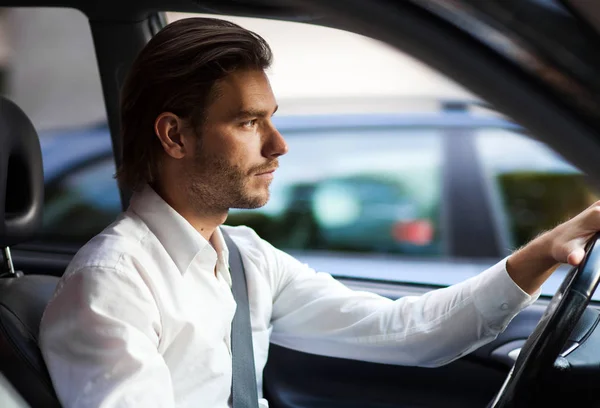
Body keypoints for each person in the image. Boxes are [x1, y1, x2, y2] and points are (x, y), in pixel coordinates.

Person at [39, 17, 600, 408]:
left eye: (271, 118)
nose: (278, 145)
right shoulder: (111, 286)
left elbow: (406, 331)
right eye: (248, 122)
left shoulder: (243, 258)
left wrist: (545, 252)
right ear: (174, 136)